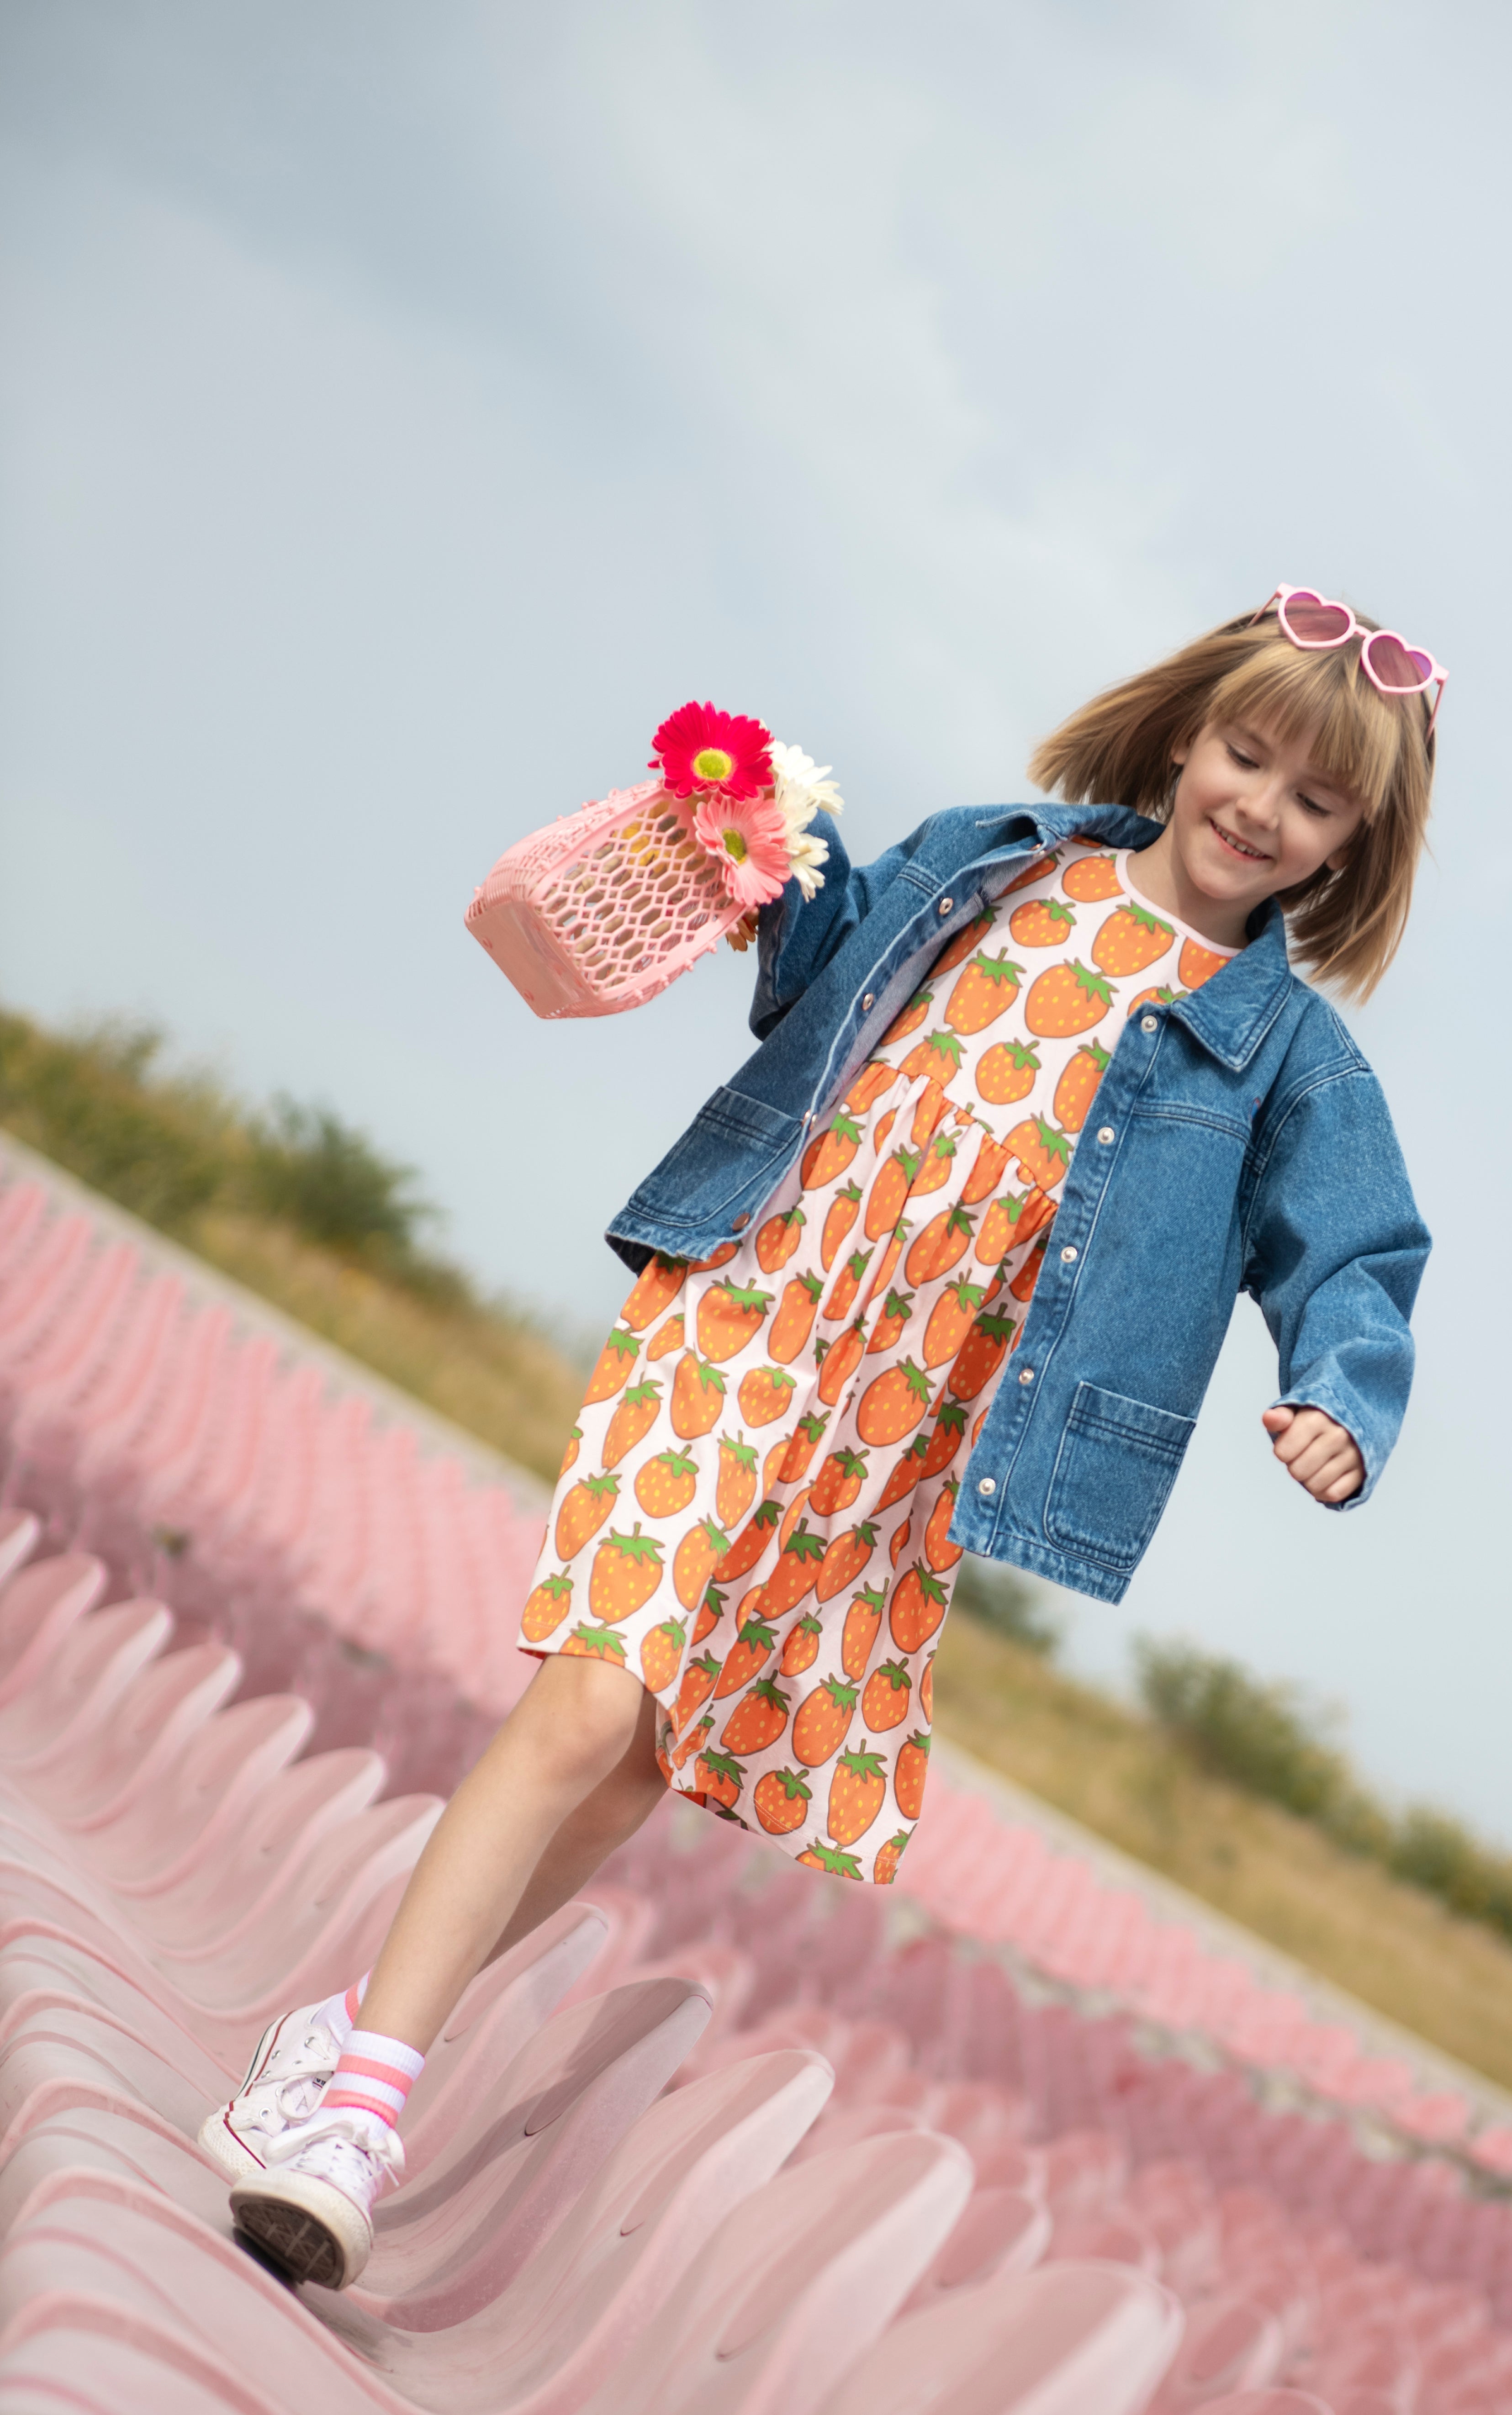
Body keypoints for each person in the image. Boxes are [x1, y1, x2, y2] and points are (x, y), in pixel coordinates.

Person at [210, 587, 1437, 2288]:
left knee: (646, 1762)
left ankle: (351, 2038)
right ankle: (364, 2113)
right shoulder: (990, 860)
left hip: (901, 1442)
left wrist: (1338, 1399)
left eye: (1319, 800)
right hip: (756, 1309)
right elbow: (816, 985)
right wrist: (767, 861)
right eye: (1249, 752)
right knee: (592, 1695)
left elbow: (1358, 1251)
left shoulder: (1287, 1055)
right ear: (1183, 730)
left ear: (1352, 843)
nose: (1264, 807)